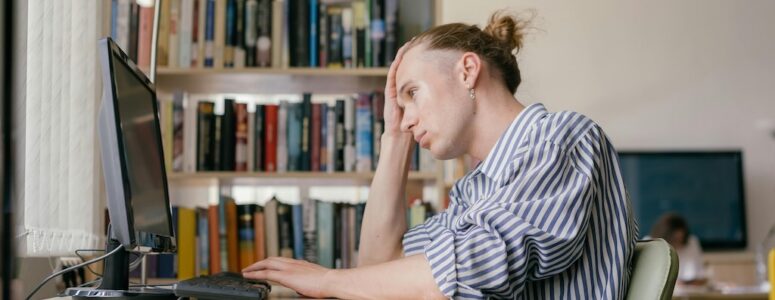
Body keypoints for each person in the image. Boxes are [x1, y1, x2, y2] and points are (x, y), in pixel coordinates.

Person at [242, 10, 638, 299]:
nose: (409, 118)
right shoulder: (476, 191)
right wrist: (394, 137)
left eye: (413, 93)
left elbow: (463, 270)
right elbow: (379, 264)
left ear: (467, 71)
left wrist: (328, 281)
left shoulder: (560, 138)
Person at [649, 213, 707, 284]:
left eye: (681, 239)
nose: (678, 243)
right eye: (675, 239)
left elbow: (699, 275)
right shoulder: (650, 245)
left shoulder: (691, 242)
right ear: (665, 236)